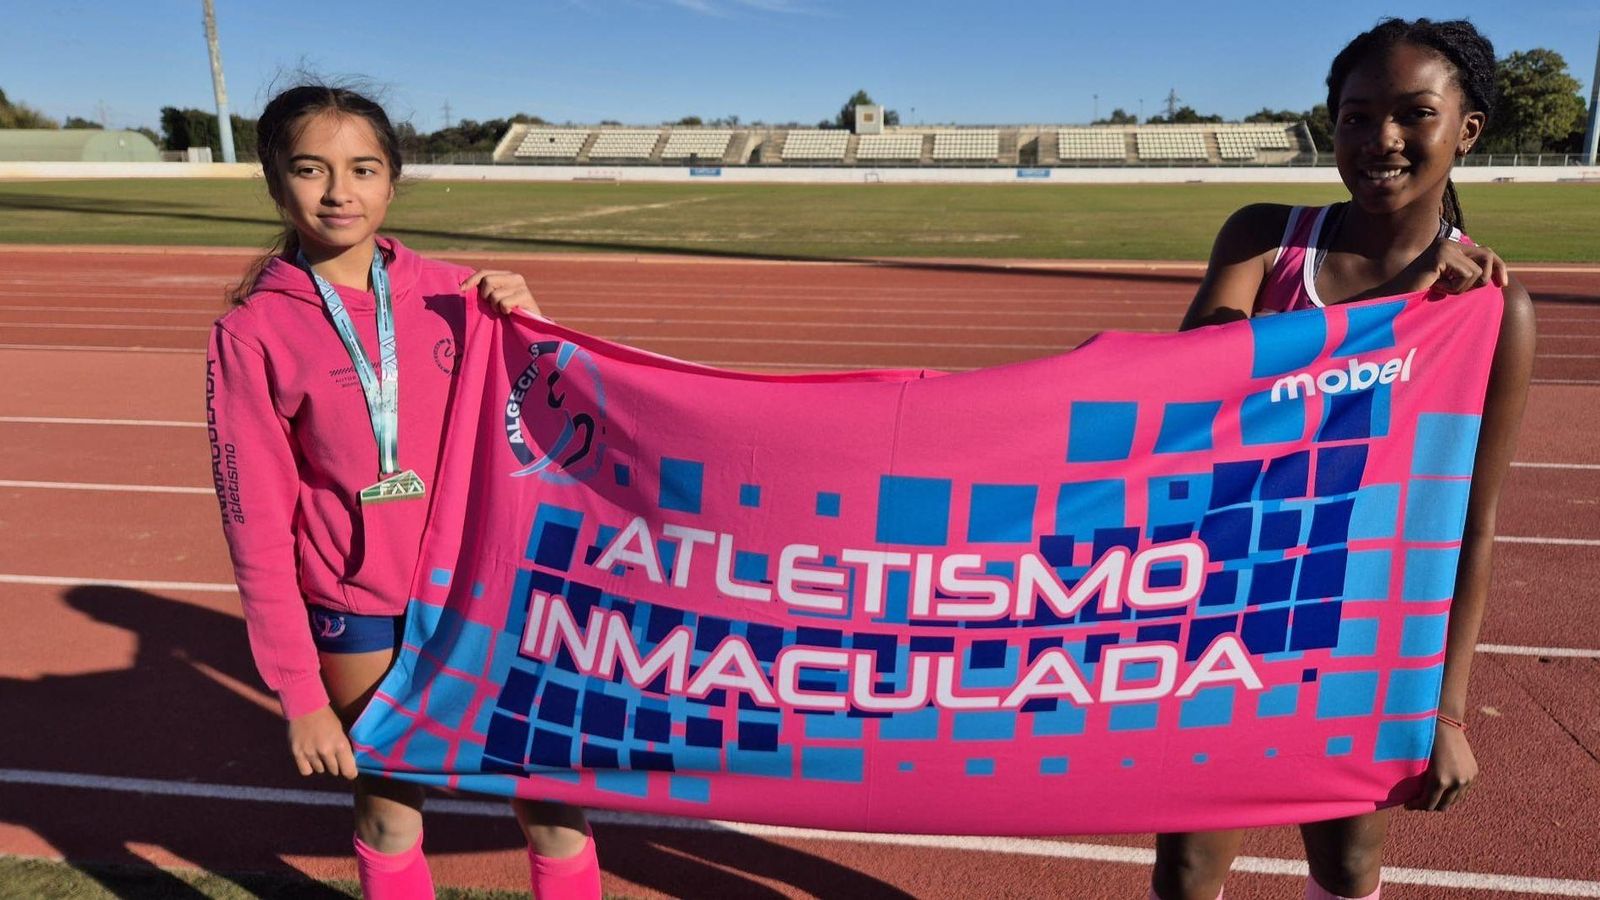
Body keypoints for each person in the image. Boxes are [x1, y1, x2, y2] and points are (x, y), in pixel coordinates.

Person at [1155, 18, 1536, 900]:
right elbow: (1192, 387)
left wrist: (1445, 710)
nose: (1381, 140)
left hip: (1360, 628)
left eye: (1413, 115)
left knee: (1348, 860)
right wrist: (1405, 303)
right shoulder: (1264, 239)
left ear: (1466, 130)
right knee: (1185, 863)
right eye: (1357, 117)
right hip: (1224, 606)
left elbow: (1472, 523)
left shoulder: (1488, 315)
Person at [206, 84, 599, 899]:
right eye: (312, 169)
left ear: (393, 181)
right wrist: (300, 693)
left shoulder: (462, 295)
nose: (339, 192)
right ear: (276, 181)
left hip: (487, 594)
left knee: (556, 809)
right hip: (361, 611)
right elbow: (257, 529)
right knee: (390, 812)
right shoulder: (252, 331)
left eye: (363, 169)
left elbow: (551, 434)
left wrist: (535, 325)